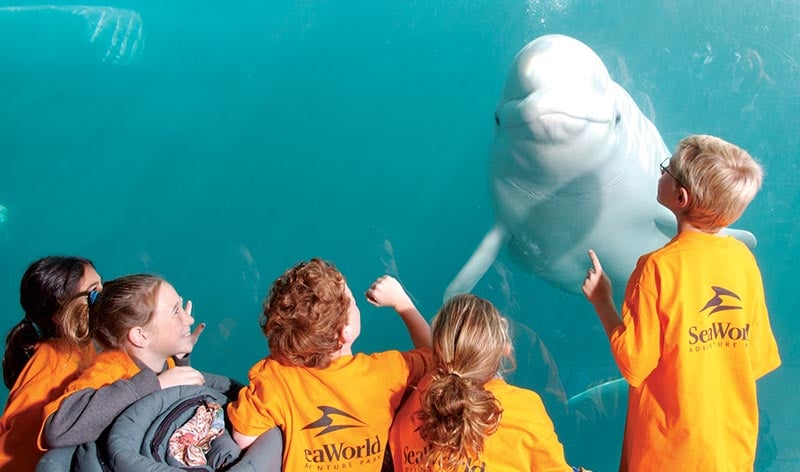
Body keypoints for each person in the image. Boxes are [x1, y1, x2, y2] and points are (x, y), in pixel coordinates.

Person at [582, 134, 781, 471]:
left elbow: (633, 364)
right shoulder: (743, 259)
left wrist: (602, 300)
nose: (661, 173)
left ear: (680, 196)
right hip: (730, 449)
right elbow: (756, 360)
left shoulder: (656, 268)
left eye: (666, 169)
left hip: (666, 454)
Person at [227, 259, 432, 471]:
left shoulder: (274, 376)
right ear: (346, 331)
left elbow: (243, 437)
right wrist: (402, 303)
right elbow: (437, 359)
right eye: (352, 301)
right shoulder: (388, 372)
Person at [39, 273, 234, 450]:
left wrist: (181, 357)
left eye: (182, 306)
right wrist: (156, 384)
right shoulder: (109, 369)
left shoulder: (164, 359)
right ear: (140, 336)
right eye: (176, 311)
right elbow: (56, 430)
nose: (189, 319)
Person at [387, 293, 578, 471]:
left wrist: (402, 304)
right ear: (506, 349)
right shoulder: (523, 408)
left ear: (437, 350)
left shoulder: (414, 401)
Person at [0, 256, 101, 471]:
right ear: (60, 315)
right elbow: (17, 453)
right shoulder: (54, 361)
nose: (106, 299)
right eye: (94, 294)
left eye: (105, 287)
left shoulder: (85, 346)